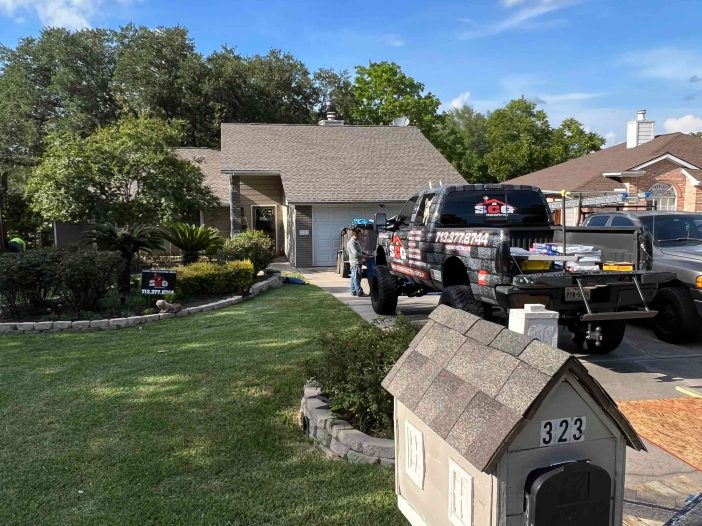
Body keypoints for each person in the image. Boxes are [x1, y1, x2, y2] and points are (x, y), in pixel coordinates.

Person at [347, 228, 369, 297]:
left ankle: (353, 291)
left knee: (354, 277)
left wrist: (366, 254)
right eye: (359, 235)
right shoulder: (351, 243)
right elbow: (355, 253)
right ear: (355, 234)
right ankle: (360, 292)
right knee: (357, 278)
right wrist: (364, 257)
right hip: (355, 263)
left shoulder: (356, 242)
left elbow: (360, 251)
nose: (360, 237)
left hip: (357, 262)